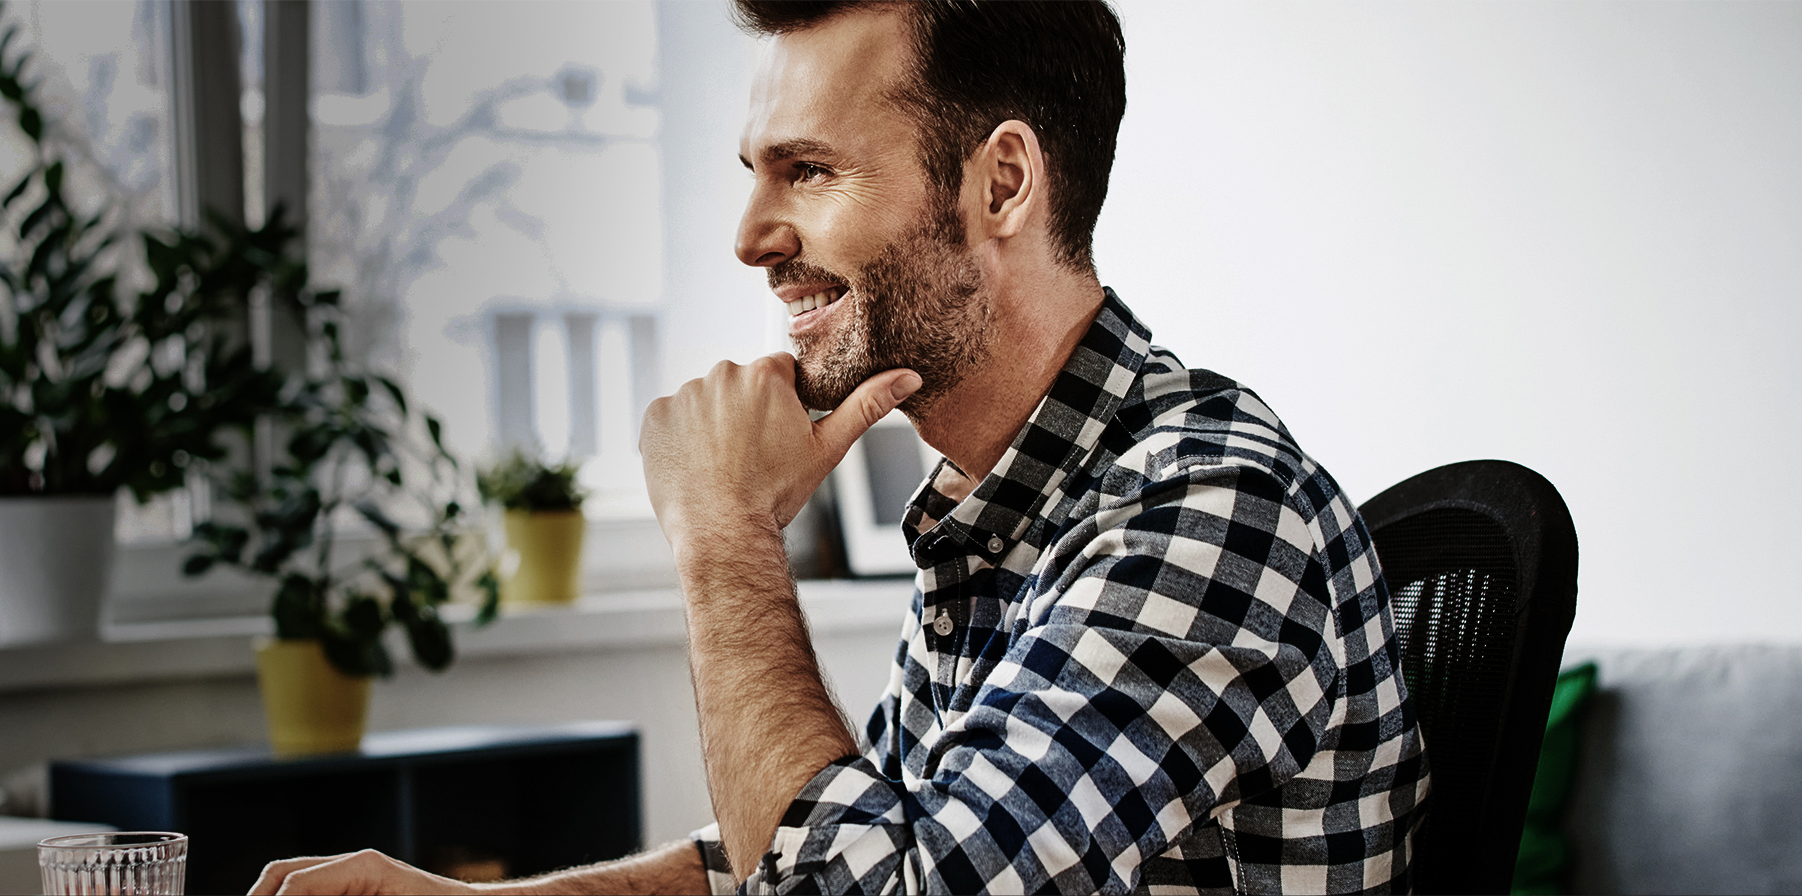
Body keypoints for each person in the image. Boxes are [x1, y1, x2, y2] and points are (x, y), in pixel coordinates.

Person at [250, 2, 1426, 893]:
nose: (752, 237)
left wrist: (723, 534)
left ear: (1002, 182)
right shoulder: (1002, 506)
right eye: (757, 174)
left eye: (808, 171)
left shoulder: (1204, 509)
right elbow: (837, 848)